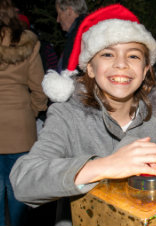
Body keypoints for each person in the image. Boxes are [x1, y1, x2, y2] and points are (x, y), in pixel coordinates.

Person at [10, 4, 156, 226]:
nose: (121, 64)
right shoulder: (67, 116)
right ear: (89, 67)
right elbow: (24, 180)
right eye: (107, 54)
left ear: (146, 69)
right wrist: (105, 166)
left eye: (134, 56)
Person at [0, 0, 48, 225]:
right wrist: (33, 112)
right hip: (20, 128)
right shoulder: (26, 42)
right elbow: (39, 88)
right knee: (19, 191)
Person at [56, 0, 87, 72]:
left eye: (59, 14)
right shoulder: (79, 30)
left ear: (69, 11)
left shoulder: (78, 34)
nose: (57, 20)